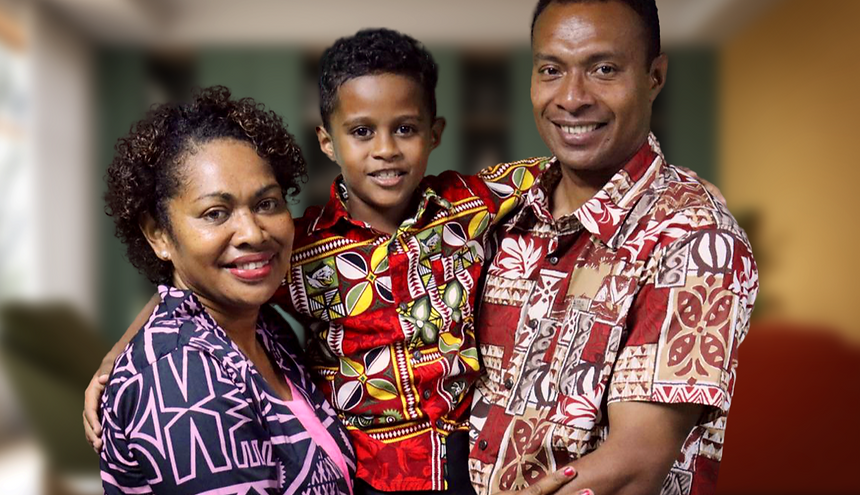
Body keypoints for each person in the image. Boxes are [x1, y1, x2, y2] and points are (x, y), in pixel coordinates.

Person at [87, 31, 578, 495]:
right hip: (367, 473)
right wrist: (119, 355)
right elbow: (195, 291)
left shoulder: (475, 203)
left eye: (405, 129)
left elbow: (575, 168)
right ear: (328, 141)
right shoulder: (298, 250)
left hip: (471, 458)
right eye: (362, 131)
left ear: (435, 134)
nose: (385, 149)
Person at [466, 0, 759, 495]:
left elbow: (632, 466)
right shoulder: (500, 204)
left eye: (604, 69)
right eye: (551, 70)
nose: (572, 98)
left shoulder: (696, 237)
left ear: (654, 76)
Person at [99, 86, 355, 494]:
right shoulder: (181, 382)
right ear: (158, 234)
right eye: (215, 213)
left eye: (267, 204)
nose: (253, 233)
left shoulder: (265, 327)